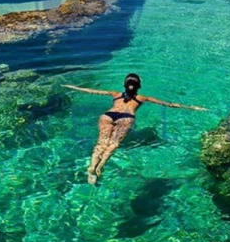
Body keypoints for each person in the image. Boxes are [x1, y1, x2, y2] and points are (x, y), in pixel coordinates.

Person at [64, 73, 207, 184]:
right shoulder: (142, 98)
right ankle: (100, 166)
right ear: (138, 86)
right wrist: (192, 107)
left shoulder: (116, 94)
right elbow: (168, 104)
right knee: (113, 144)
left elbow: (92, 91)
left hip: (107, 116)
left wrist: (73, 87)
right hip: (125, 118)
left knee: (101, 142)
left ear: (125, 85)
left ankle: (91, 167)